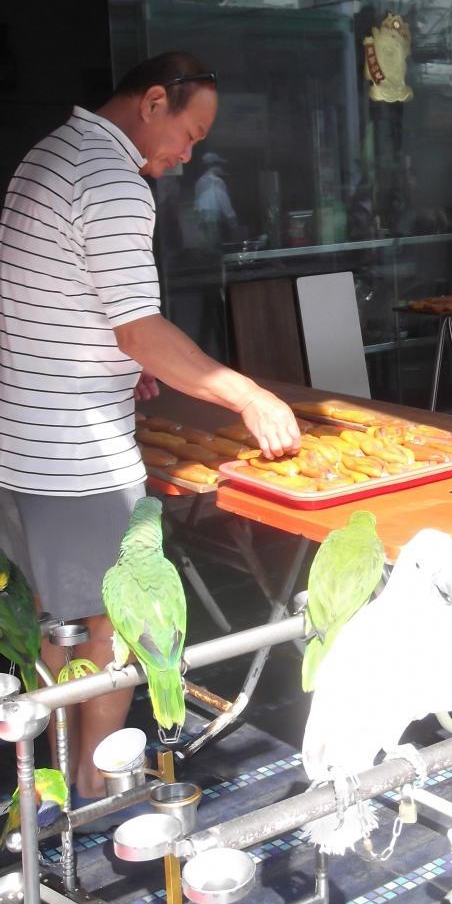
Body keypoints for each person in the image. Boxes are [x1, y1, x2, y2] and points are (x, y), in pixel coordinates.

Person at [0, 51, 300, 802]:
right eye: (189, 134)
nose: (188, 155)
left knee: (55, 624)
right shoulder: (111, 180)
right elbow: (138, 328)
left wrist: (112, 357)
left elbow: (60, 301)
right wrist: (247, 396)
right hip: (76, 460)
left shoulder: (49, 153)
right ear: (155, 100)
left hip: (22, 445)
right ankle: (94, 792)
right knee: (109, 629)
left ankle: (53, 792)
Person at [194, 151, 240, 245]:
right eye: (220, 165)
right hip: (214, 223)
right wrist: (234, 224)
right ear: (213, 166)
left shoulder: (200, 182)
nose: (221, 168)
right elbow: (225, 204)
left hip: (202, 223)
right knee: (216, 249)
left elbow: (197, 205)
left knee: (207, 249)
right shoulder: (217, 182)